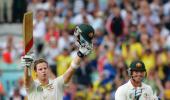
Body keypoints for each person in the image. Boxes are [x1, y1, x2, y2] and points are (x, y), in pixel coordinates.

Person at [21, 24, 95, 100]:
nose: (43, 71)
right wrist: (27, 67)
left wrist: (81, 54)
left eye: (45, 68)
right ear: (35, 72)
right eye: (40, 69)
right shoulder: (33, 85)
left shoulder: (56, 83)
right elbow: (27, 80)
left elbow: (71, 70)